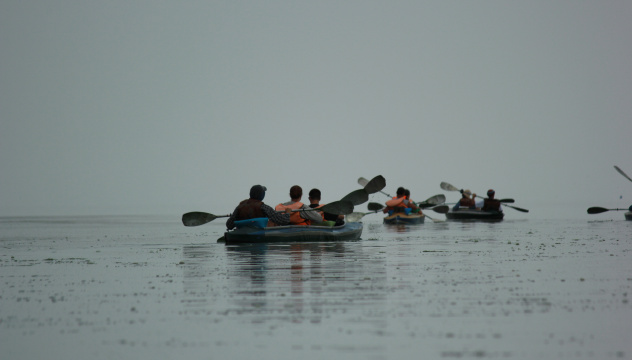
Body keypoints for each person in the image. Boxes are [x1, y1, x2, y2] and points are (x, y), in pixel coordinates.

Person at [226, 185, 291, 230]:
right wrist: (287, 213)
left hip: (241, 234)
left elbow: (229, 225)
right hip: (259, 234)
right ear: (262, 195)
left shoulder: (240, 207)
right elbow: (283, 220)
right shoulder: (263, 207)